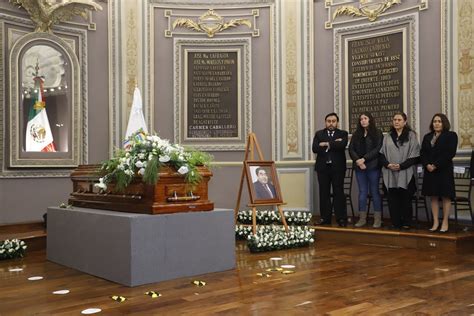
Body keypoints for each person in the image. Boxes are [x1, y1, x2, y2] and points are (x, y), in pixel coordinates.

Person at [380, 112, 420, 229]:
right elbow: (381, 154)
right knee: (392, 199)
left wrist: (401, 166)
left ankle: (407, 222)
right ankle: (395, 222)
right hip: (390, 172)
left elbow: (415, 155)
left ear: (405, 122)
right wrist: (388, 164)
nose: (396, 122)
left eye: (399, 120)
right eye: (394, 120)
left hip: (406, 172)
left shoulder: (411, 135)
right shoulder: (388, 136)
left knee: (405, 198)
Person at [420, 113, 458, 233]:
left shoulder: (451, 135)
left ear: (444, 123)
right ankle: (435, 221)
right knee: (434, 196)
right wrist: (427, 165)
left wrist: (436, 165)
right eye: (435, 121)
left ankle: (445, 221)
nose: (436, 123)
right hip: (430, 171)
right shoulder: (427, 137)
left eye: (439, 121)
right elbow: (423, 153)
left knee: (445, 196)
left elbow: (450, 153)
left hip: (443, 170)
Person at [312, 112, 349, 227]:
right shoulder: (319, 134)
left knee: (339, 192)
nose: (331, 123)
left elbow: (342, 145)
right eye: (329, 121)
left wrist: (326, 144)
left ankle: (341, 218)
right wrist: (333, 144)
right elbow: (315, 148)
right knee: (324, 193)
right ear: (325, 122)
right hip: (322, 168)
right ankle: (325, 218)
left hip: (338, 168)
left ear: (337, 123)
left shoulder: (343, 133)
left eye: (333, 121)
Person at [349, 112, 384, 228]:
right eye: (361, 119)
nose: (363, 121)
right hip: (360, 167)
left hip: (373, 166)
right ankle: (362, 218)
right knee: (362, 193)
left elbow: (377, 149)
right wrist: (358, 161)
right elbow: (351, 149)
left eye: (365, 118)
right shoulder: (356, 134)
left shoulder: (377, 133)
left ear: (370, 120)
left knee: (374, 192)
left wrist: (364, 159)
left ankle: (377, 219)